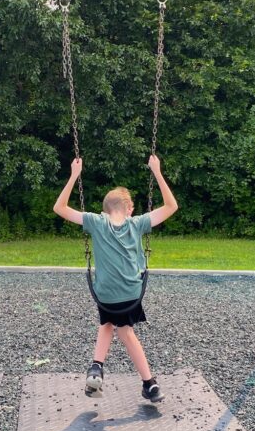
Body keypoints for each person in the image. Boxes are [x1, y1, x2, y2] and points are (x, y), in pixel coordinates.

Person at [53, 154, 178, 402]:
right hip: (131, 294)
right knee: (125, 331)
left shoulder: (96, 221)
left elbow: (59, 208)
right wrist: (157, 171)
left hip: (106, 294)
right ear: (129, 208)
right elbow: (172, 206)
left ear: (105, 210)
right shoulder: (138, 223)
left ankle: (98, 366)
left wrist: (73, 176)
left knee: (110, 324)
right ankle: (149, 384)